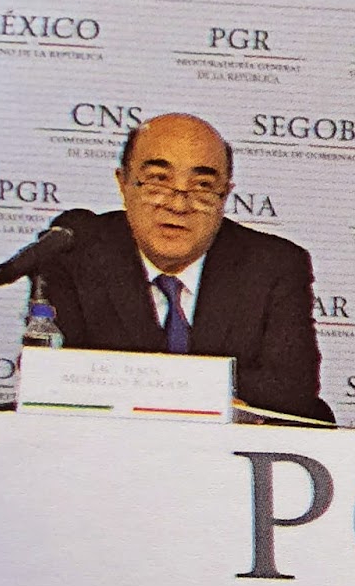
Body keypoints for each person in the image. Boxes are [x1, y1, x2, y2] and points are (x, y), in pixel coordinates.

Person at [43, 112, 332, 422]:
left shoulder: (273, 264)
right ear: (123, 183)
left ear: (224, 195)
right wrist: (206, 393)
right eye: (157, 181)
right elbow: (58, 378)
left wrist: (149, 387)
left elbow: (292, 387)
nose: (178, 205)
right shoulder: (76, 250)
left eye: (202, 186)